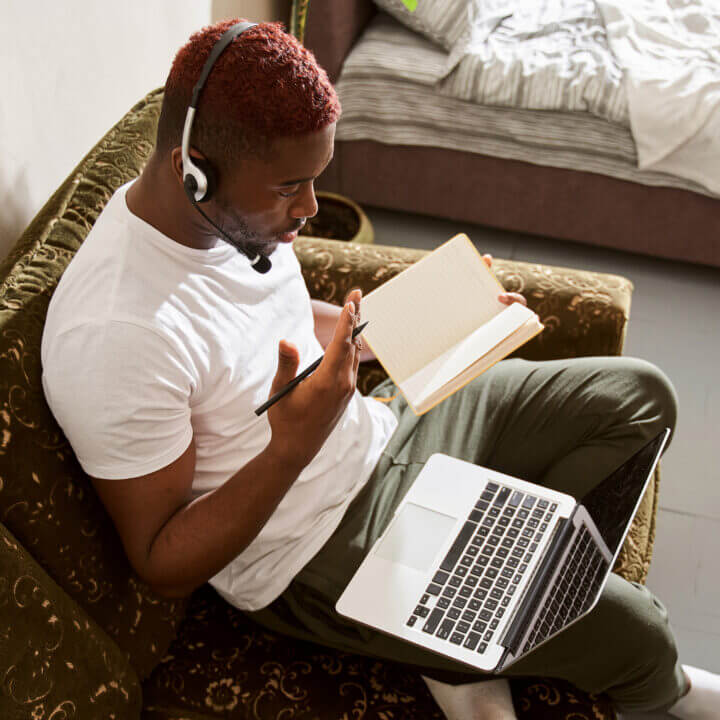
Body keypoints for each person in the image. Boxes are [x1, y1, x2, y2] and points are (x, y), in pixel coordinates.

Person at [40, 19, 719, 720]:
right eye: (288, 188)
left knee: (640, 397)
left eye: (313, 182)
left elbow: (281, 315)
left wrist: (429, 316)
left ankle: (455, 632)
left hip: (383, 429)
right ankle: (482, 643)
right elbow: (160, 561)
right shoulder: (115, 334)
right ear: (196, 168)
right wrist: (291, 448)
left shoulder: (222, 219)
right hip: (317, 545)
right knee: (638, 630)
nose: (308, 211)